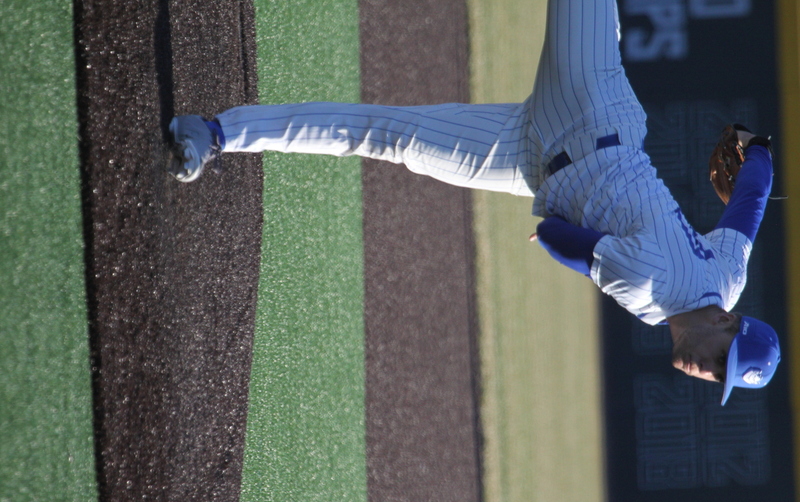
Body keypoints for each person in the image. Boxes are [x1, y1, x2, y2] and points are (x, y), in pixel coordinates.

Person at [167, 0, 780, 405]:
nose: (707, 371)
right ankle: (216, 133)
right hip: (589, 104)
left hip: (534, 159)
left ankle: (216, 132)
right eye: (721, 360)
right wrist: (548, 240)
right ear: (727, 324)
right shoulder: (651, 287)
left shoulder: (725, 280)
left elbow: (751, 200)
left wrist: (758, 151)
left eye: (718, 378)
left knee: (390, 136)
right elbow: (564, 240)